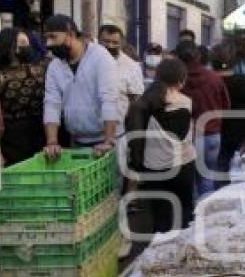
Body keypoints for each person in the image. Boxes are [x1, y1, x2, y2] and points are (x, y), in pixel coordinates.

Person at [125, 58, 196, 233]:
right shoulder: (187, 101)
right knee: (185, 216)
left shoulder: (142, 105)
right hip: (184, 166)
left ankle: (161, 254)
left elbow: (135, 142)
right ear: (181, 80)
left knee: (160, 219)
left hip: (155, 170)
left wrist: (136, 169)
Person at [42, 14, 120, 157]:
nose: (48, 43)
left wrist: (109, 141)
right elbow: (52, 103)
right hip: (76, 141)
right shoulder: (55, 65)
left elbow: (109, 99)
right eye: (46, 38)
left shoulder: (100, 57)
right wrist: (52, 142)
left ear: (70, 34)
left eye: (53, 37)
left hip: (104, 140)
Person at [174, 40, 230, 198]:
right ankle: (206, 214)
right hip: (212, 135)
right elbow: (226, 106)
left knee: (189, 180)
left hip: (188, 137)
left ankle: (192, 218)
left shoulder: (176, 82)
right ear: (199, 57)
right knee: (207, 177)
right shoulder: (214, 78)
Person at [210, 42, 245, 179]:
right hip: (243, 134)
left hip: (213, 132)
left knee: (215, 171)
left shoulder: (208, 83)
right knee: (241, 171)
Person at [0, 28, 47, 165]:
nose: (24, 48)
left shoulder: (39, 70)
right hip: (11, 136)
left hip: (39, 130)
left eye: (26, 43)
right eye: (20, 43)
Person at [98, 24, 145, 121]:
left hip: (119, 128)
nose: (110, 45)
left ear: (122, 43)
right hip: (88, 129)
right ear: (98, 40)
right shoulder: (86, 61)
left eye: (115, 42)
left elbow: (135, 99)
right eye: (106, 42)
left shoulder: (132, 66)